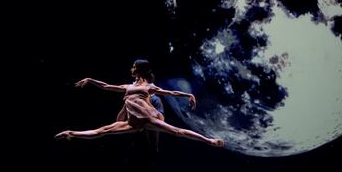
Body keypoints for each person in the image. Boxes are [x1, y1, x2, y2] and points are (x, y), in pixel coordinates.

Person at [55, 59, 224, 147]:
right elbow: (106, 86)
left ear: (139, 69)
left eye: (133, 66)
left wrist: (188, 95)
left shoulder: (149, 87)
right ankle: (71, 133)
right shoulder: (127, 86)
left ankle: (209, 141)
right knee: (103, 131)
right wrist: (91, 80)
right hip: (133, 123)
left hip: (148, 118)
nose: (131, 68)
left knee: (177, 131)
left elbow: (170, 92)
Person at [117, 93, 188, 172]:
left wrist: (146, 104)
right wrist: (126, 104)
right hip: (136, 142)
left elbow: (159, 120)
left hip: (148, 144)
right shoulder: (133, 99)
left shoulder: (155, 99)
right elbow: (119, 120)